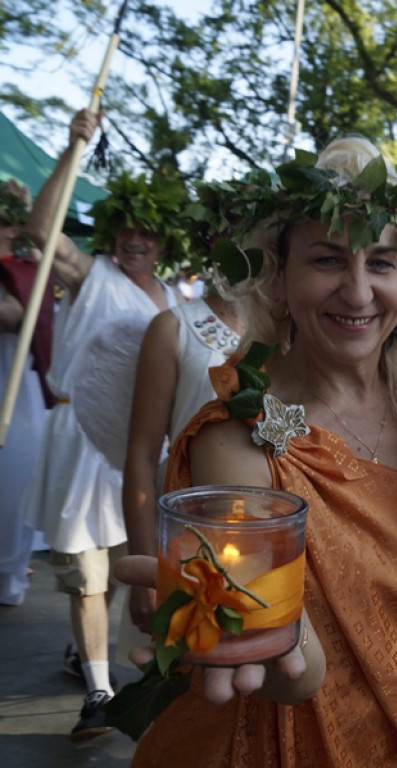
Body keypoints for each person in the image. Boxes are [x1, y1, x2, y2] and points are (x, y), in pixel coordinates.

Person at [117, 137, 397, 766]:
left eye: (382, 263)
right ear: (280, 280)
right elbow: (289, 672)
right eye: (329, 260)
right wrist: (268, 640)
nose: (360, 292)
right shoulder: (240, 437)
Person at [18, 108, 184, 741]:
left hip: (145, 454)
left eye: (148, 233)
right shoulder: (93, 275)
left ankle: (113, 666)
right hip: (84, 445)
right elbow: (41, 228)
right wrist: (73, 148)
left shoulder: (172, 298)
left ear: (165, 241)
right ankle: (97, 690)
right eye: (125, 229)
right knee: (88, 575)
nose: (134, 239)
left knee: (139, 572)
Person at [120, 277, 244, 661]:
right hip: (183, 529)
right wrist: (148, 574)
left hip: (264, 529)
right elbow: (141, 453)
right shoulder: (175, 327)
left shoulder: (296, 323)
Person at [0, 179, 51, 607]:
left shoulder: (26, 268)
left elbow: (15, 316)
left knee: (13, 478)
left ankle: (8, 575)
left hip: (14, 395)